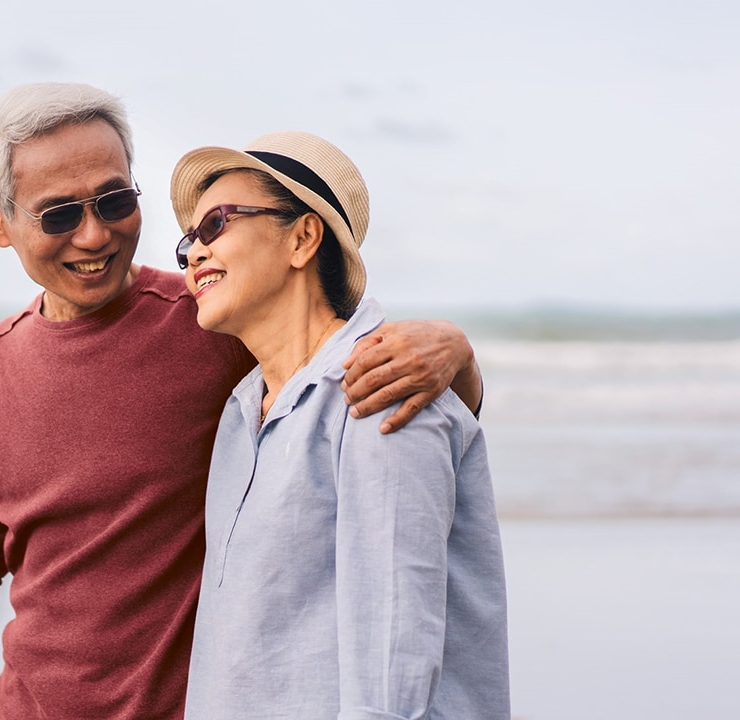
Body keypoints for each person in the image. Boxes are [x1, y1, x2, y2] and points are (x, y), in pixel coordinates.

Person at [0, 83, 485, 720]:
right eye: (59, 214)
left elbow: (337, 351)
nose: (94, 236)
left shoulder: (211, 324)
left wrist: (456, 353)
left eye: (114, 200)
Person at [172, 131, 509, 719]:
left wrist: (460, 354)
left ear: (302, 238)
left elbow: (391, 667)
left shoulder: (382, 389)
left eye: (216, 225)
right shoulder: (238, 411)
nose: (194, 253)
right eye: (186, 243)